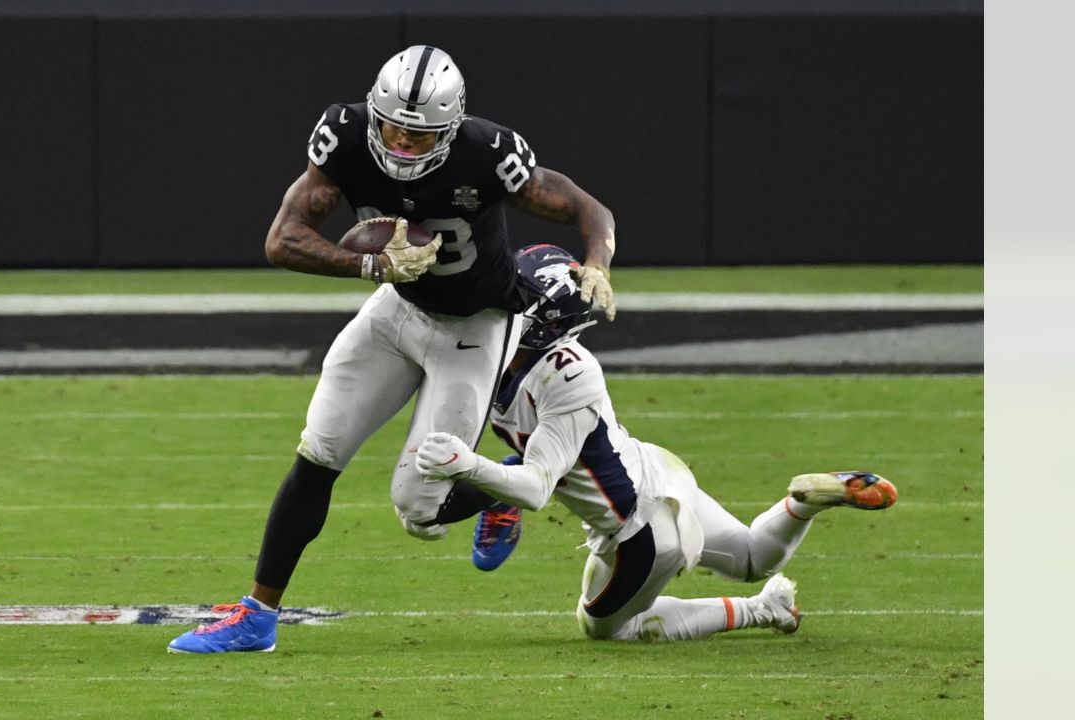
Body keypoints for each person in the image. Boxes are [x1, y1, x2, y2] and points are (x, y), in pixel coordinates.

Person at [168, 46, 617, 653]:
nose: (402, 144)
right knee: (319, 449)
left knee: (418, 511)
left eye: (419, 134)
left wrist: (597, 263)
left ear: (451, 128)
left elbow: (587, 207)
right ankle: (257, 617)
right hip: (397, 309)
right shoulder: (345, 138)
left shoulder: (488, 155)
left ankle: (502, 487)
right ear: (374, 113)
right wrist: (369, 265)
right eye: (393, 129)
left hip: (474, 325)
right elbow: (283, 240)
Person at [414, 244, 899, 643]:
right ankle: (800, 505)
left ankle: (761, 609)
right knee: (751, 556)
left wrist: (468, 467)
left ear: (538, 318)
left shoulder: (565, 377)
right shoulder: (505, 357)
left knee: (606, 629)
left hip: (639, 528)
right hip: (653, 468)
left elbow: (539, 487)